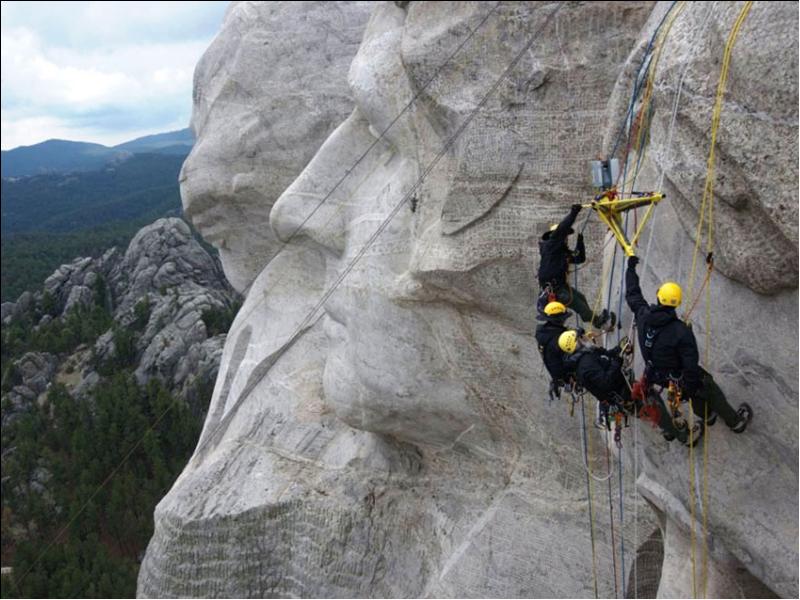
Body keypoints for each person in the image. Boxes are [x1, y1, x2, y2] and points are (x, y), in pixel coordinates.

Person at [625, 255, 752, 433]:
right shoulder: (681, 331)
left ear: (658, 296)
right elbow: (690, 363)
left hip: (659, 375)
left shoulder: (643, 314)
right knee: (707, 388)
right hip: (678, 376)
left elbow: (633, 294)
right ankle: (735, 422)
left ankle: (708, 416)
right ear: (677, 303)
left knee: (692, 392)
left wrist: (630, 269)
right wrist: (693, 385)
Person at [558, 330, 692, 444]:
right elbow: (606, 382)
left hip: (624, 386)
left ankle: (668, 429)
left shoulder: (587, 354)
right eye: (580, 337)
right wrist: (618, 360)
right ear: (576, 344)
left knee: (652, 396)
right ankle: (683, 436)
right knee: (653, 408)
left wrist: (619, 349)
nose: (585, 337)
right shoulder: (586, 366)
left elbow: (605, 356)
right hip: (623, 394)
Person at [537, 204, 615, 329]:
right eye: (564, 235)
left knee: (581, 298)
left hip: (561, 287)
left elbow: (579, 258)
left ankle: (595, 320)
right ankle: (602, 324)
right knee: (579, 305)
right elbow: (562, 228)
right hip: (555, 290)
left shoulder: (561, 251)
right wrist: (574, 212)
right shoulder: (551, 246)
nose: (566, 238)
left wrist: (580, 243)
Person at [535, 301, 573, 401]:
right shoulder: (558, 340)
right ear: (559, 320)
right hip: (563, 372)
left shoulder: (542, 332)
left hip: (555, 371)